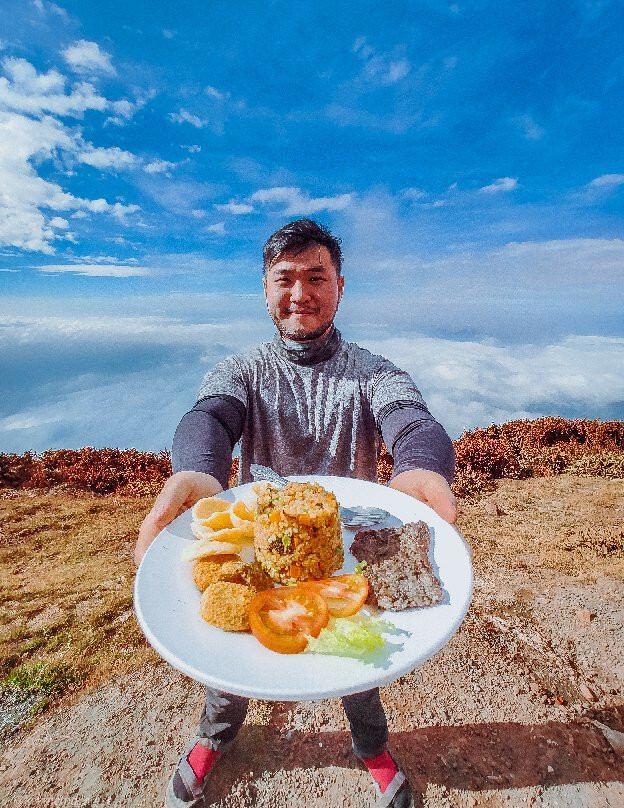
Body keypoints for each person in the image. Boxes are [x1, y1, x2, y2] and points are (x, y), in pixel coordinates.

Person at [134, 219, 457, 808]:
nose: (300, 294)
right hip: (266, 546)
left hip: (342, 553)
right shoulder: (242, 371)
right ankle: (214, 738)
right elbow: (210, 417)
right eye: (285, 279)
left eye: (317, 277)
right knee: (232, 655)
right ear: (265, 287)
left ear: (340, 285)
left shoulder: (374, 372)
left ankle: (372, 750)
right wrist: (198, 471)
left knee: (358, 665)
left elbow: (411, 421)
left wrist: (422, 466)